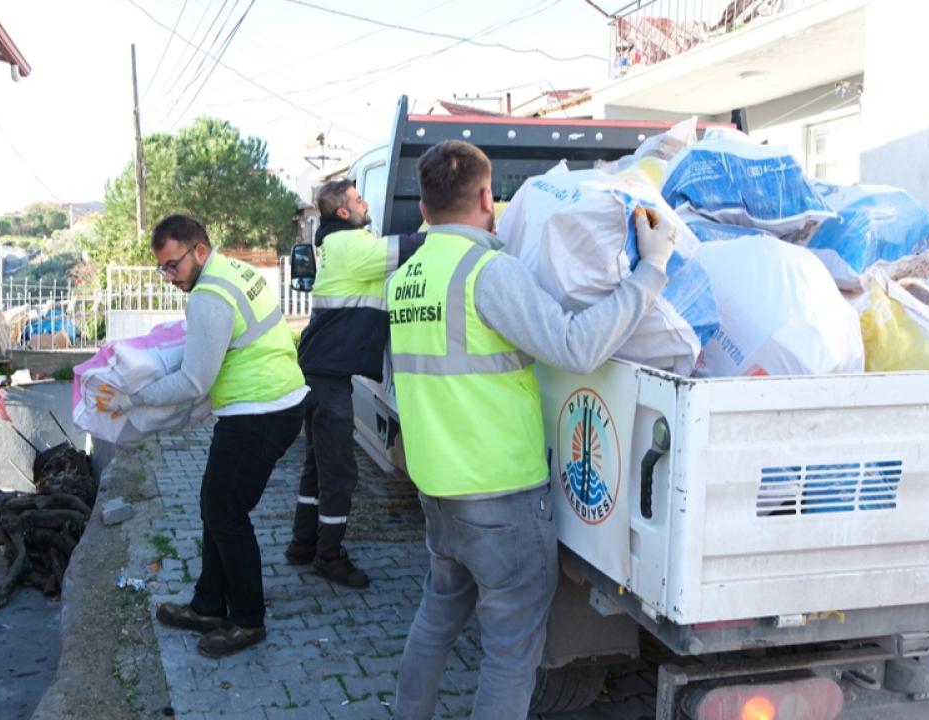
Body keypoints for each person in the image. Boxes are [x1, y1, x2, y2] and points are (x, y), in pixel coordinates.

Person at [388, 140, 676, 718]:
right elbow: (576, 346)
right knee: (511, 655)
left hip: (439, 496)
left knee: (435, 620)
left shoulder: (406, 277)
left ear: (422, 209)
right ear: (485, 197)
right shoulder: (487, 272)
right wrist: (651, 271)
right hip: (501, 502)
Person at [128, 214, 307, 658]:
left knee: (226, 514)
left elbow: (194, 381)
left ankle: (247, 620)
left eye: (173, 265)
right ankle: (209, 604)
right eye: (163, 268)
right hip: (269, 403)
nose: (169, 277)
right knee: (215, 505)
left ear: (199, 251)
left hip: (260, 412)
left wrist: (137, 397)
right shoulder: (234, 271)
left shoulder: (209, 295)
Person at [286, 180, 424, 588]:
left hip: (319, 373)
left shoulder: (335, 245)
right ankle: (328, 556)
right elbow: (411, 246)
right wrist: (446, 224)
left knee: (317, 468)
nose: (367, 204)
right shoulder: (352, 245)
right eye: (359, 199)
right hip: (327, 380)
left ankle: (301, 545)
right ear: (343, 213)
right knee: (341, 474)